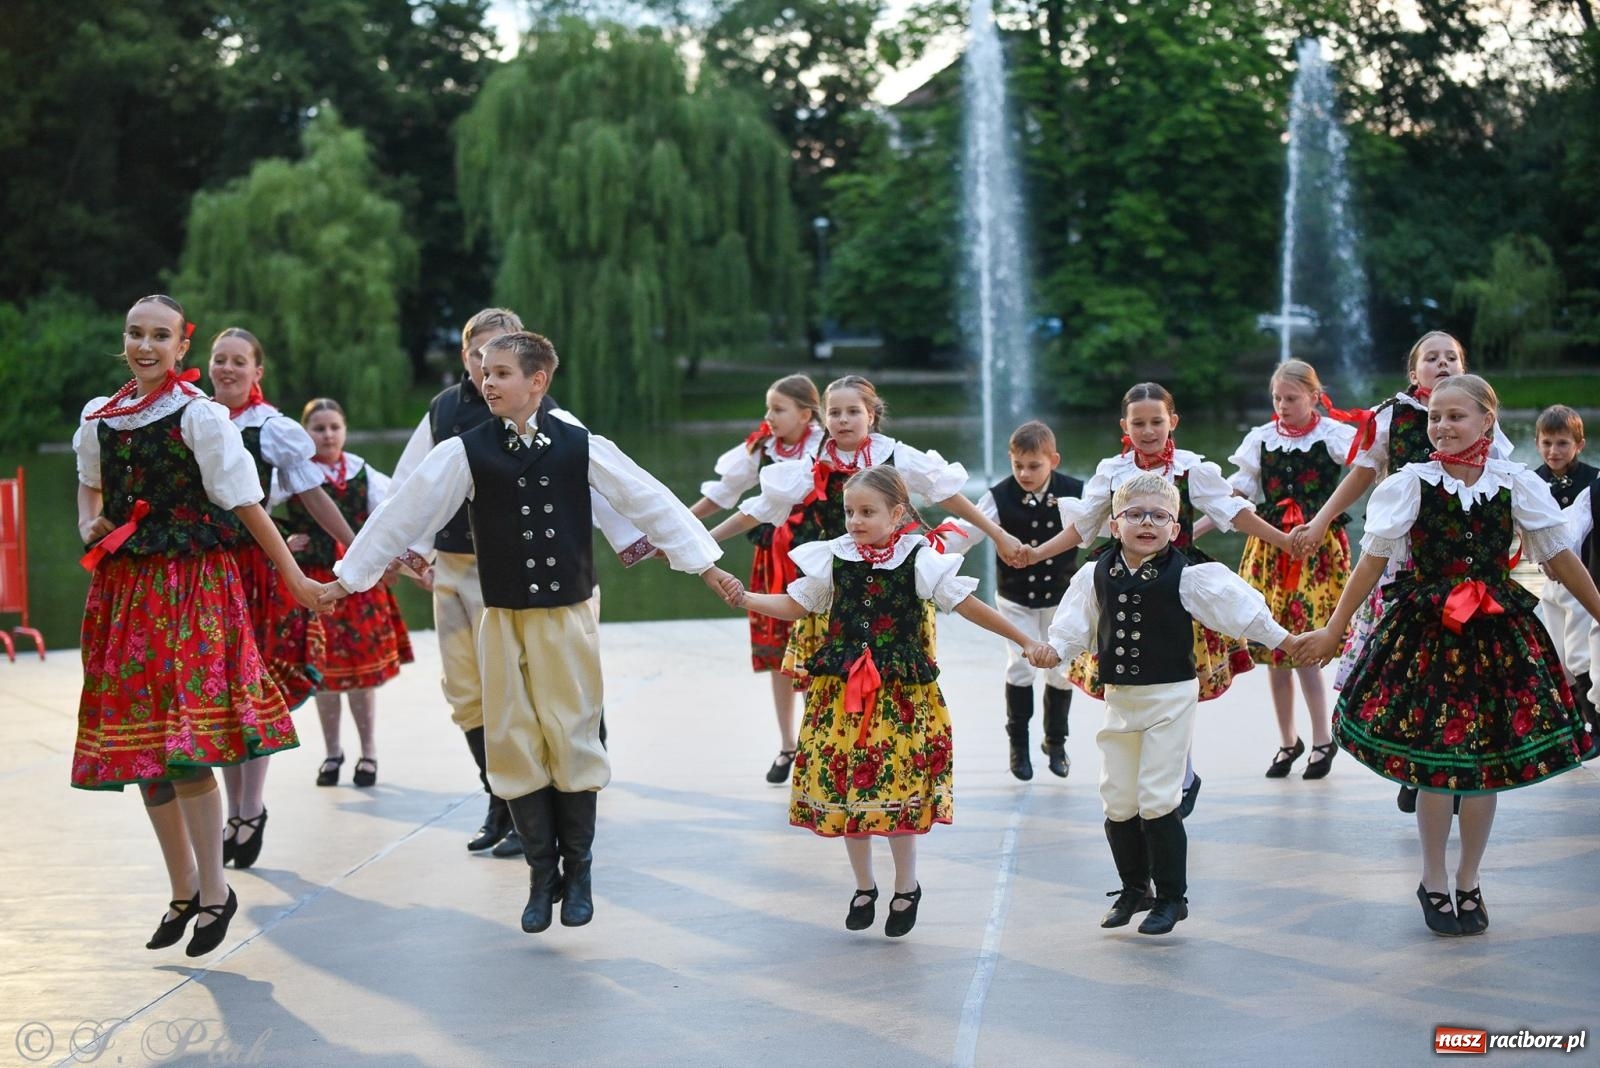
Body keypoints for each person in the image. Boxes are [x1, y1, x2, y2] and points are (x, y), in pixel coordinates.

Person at [317, 330, 741, 934]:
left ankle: (581, 872)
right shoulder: (464, 451)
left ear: (537, 382)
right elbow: (402, 513)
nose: (487, 383)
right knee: (512, 735)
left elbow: (651, 502)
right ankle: (542, 877)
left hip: (565, 616)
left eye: (502, 373)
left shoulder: (580, 444)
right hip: (502, 615)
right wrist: (348, 577)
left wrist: (704, 563)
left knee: (572, 732)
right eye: (484, 373)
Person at [1298, 376, 1600, 936]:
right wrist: (1335, 628)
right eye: (1435, 417)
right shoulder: (1412, 483)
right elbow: (1371, 562)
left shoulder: (1514, 483)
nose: (1441, 426)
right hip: (1428, 635)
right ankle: (1434, 879)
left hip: (1494, 637)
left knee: (1482, 770)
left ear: (1489, 421)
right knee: (1437, 768)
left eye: (1455, 416)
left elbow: (1559, 557)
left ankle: (1470, 878)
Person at [73, 294, 321, 956]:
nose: (145, 345)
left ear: (183, 347)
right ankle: (182, 887)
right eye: (134, 333)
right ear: (123, 339)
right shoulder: (99, 417)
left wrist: (294, 578)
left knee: (186, 747)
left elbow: (244, 500)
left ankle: (215, 889)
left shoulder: (201, 417)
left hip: (191, 593)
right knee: (143, 750)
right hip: (125, 592)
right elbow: (90, 485)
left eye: (160, 335)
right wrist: (86, 522)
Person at [730, 466, 1052, 937]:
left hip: (898, 697)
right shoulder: (832, 558)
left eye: (867, 512)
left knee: (895, 796)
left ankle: (906, 886)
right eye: (849, 512)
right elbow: (797, 605)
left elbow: (968, 606)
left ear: (897, 513)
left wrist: (1025, 640)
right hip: (841, 695)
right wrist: (746, 598)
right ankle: (864, 886)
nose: (855, 520)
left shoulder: (919, 559)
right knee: (847, 793)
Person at [390, 307, 651, 859]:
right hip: (457, 568)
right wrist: (410, 552)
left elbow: (602, 478)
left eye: (503, 357)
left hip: (528, 576)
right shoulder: (443, 411)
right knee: (467, 692)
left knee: (541, 693)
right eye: (483, 357)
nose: (490, 372)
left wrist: (635, 538)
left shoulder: (553, 418)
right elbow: (410, 484)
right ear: (468, 358)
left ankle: (542, 814)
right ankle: (499, 798)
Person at [1033, 473, 1293, 935]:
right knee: (1117, 798)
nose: (1146, 522)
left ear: (1175, 528)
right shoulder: (1095, 573)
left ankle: (1173, 897)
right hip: (1121, 698)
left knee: (1157, 797)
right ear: (1115, 524)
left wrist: (1285, 640)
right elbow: (1073, 625)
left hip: (1171, 696)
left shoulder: (1190, 576)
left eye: (1159, 515)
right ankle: (1135, 888)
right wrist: (1055, 650)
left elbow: (1242, 610)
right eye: (1135, 514)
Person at [1025, 382, 1296, 814]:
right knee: (1129, 679)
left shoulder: (1190, 469)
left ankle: (1182, 775)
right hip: (1125, 583)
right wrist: (1038, 552)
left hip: (1176, 584)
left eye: (1156, 421)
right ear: (1124, 426)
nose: (1148, 430)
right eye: (1138, 423)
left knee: (1177, 682)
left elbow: (1232, 511)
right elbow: (1086, 526)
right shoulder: (1113, 471)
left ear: (1173, 422)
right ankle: (1136, 777)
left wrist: (1282, 540)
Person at [1287, 331, 1513, 814]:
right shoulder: (1395, 416)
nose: (1443, 363)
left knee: (1465, 664)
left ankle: (1457, 760)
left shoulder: (1481, 414)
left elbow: (1507, 483)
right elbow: (1363, 473)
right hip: (1406, 556)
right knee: (1410, 662)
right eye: (1431, 358)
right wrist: (1323, 518)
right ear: (1415, 373)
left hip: (1464, 561)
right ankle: (1416, 762)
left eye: (1452, 356)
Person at [707, 374, 1025, 701]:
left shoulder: (895, 456)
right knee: (826, 678)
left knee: (899, 675)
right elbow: (758, 510)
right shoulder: (814, 464)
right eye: (834, 412)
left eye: (853, 411)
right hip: (838, 584)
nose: (843, 419)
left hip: (894, 585)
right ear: (824, 417)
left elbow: (946, 492)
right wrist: (705, 540)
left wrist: (997, 534)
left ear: (871, 415)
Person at [209, 327, 356, 869]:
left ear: (257, 371)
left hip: (260, 574)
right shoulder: (193, 417)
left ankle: (251, 807)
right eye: (220, 359)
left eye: (239, 361)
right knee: (221, 693)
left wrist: (355, 543)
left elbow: (310, 493)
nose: (227, 369)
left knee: (255, 690)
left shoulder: (272, 429)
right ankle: (233, 811)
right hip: (208, 572)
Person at [1225, 360, 1359, 779]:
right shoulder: (1260, 440)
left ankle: (1322, 738)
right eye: (1277, 399)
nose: (1282, 406)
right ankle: (1288, 740)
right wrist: (1196, 518)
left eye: (1291, 398)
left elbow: (1368, 465)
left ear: (1315, 397)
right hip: (1268, 548)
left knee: (1304, 647)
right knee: (1271, 646)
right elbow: (1237, 493)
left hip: (1316, 549)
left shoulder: (1333, 435)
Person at [688, 374, 825, 782]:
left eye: (778, 409)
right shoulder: (762, 447)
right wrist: (682, 524)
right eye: (768, 408)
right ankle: (788, 744)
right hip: (771, 560)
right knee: (779, 657)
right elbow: (724, 493)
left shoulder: (825, 446)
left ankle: (820, 741)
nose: (769, 416)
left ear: (805, 414)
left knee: (819, 652)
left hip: (814, 557)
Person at [287, 397, 416, 789]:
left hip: (359, 586)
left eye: (333, 427)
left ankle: (369, 751)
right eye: (318, 428)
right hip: (316, 585)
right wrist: (284, 539)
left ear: (344, 429)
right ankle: (332, 753)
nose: (327, 435)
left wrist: (398, 562)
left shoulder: (362, 472)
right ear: (306, 433)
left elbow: (393, 516)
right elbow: (255, 511)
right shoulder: (292, 475)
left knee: (361, 676)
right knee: (324, 674)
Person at [945, 420, 1085, 780]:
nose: (1024, 473)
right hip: (1015, 598)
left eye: (1034, 465)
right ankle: (1018, 747)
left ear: (1053, 460)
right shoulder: (998, 496)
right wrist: (933, 552)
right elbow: (966, 533)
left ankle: (1056, 743)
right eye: (1017, 464)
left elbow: (1095, 530)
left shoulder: (1075, 492)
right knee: (1021, 666)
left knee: (1061, 669)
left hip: (1061, 597)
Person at [1531, 406, 1598, 735]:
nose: (1553, 451)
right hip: (1551, 581)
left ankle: (1596, 727)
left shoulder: (1592, 481)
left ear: (1579, 445)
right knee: (1555, 653)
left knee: (1579, 653)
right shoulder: (1533, 481)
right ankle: (1572, 730)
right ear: (1536, 443)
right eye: (1546, 443)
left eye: (1562, 443)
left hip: (1581, 578)